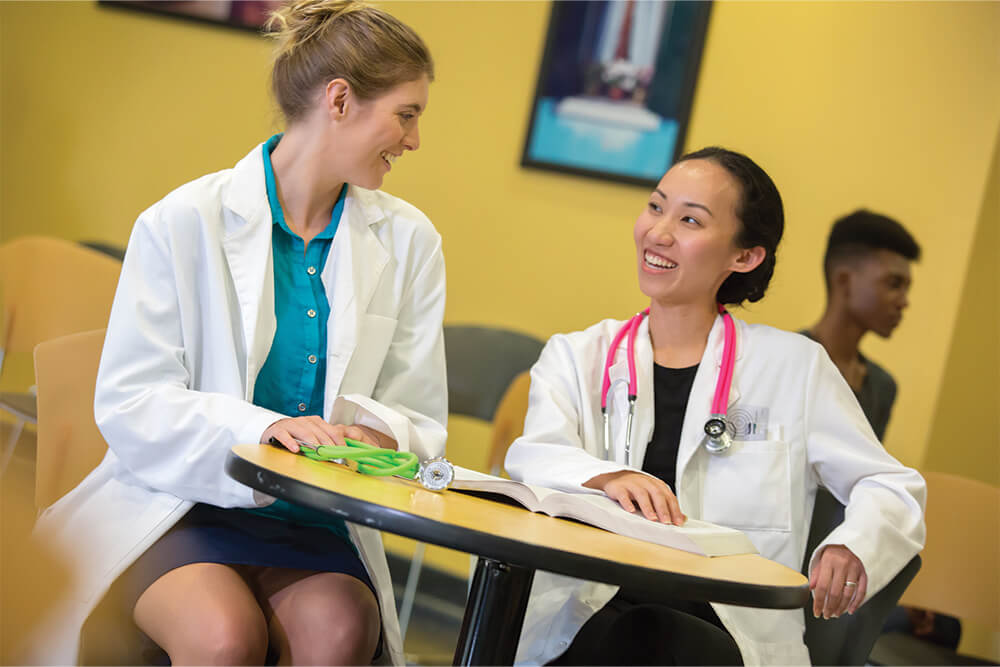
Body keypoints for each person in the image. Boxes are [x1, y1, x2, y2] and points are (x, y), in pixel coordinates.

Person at [28, 1, 445, 664]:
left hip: (316, 519)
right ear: (340, 100)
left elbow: (418, 405)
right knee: (225, 637)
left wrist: (378, 432)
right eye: (407, 114)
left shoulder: (412, 241)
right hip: (178, 504)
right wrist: (260, 428)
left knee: (341, 629)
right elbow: (134, 400)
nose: (414, 140)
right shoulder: (182, 221)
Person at [504, 147, 926, 666]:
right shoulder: (578, 355)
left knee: (647, 636)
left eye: (689, 220)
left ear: (744, 257)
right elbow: (534, 455)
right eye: (656, 207)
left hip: (727, 628)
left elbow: (892, 486)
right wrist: (608, 476)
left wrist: (852, 545)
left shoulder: (794, 367)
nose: (658, 233)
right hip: (587, 610)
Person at [803, 209, 921, 441]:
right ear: (844, 281)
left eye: (907, 288)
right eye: (894, 284)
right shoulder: (785, 360)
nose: (904, 302)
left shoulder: (881, 387)